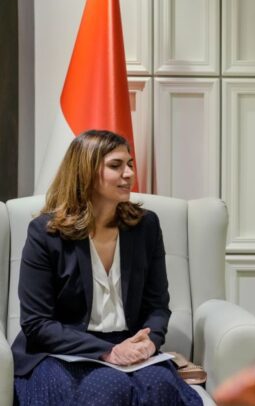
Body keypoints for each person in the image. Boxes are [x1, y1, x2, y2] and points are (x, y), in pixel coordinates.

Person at [12, 130, 202, 405]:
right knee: (108, 389)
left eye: (130, 164)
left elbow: (157, 305)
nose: (129, 173)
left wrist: (150, 341)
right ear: (86, 172)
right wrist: (108, 351)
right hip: (63, 350)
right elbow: (37, 323)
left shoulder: (146, 226)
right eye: (116, 165)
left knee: (160, 386)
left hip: (128, 344)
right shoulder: (45, 233)